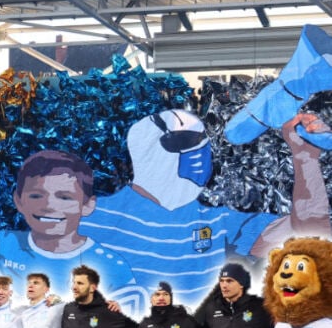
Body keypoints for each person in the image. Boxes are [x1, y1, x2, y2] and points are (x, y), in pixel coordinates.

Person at [81, 111, 332, 307]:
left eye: (203, 142)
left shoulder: (219, 222)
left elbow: (310, 229)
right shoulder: (91, 216)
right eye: (184, 140)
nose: (198, 152)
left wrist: (305, 158)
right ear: (146, 153)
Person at [0, 151, 138, 310]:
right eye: (36, 196)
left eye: (65, 197)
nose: (49, 206)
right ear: (18, 201)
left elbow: (122, 324)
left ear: (88, 205)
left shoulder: (111, 266)